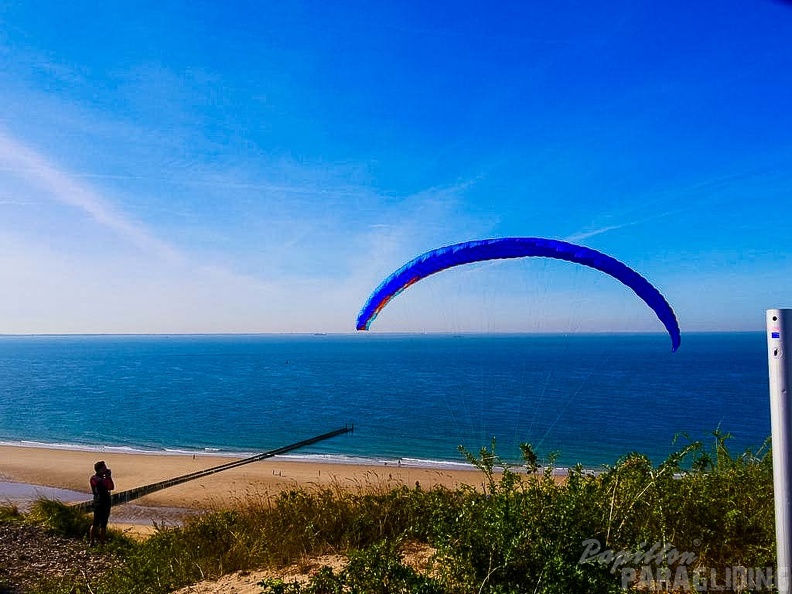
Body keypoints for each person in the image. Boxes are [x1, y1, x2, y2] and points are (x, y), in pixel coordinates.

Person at [89, 460, 114, 546]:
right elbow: (111, 487)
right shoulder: (101, 480)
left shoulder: (93, 478)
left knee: (96, 523)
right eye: (104, 467)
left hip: (97, 501)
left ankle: (92, 542)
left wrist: (106, 477)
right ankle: (101, 543)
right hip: (104, 502)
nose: (106, 469)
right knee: (103, 524)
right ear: (100, 469)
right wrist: (109, 477)